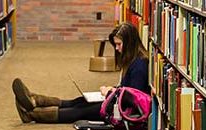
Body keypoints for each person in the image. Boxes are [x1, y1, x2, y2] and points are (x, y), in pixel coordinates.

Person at [12, 22, 150, 123]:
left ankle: (31, 114)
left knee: (80, 111)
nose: (117, 49)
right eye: (116, 45)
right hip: (116, 100)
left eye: (119, 44)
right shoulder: (131, 59)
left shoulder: (139, 65)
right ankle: (34, 100)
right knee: (79, 101)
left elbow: (132, 98)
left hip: (122, 111)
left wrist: (110, 91)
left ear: (130, 43)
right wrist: (112, 90)